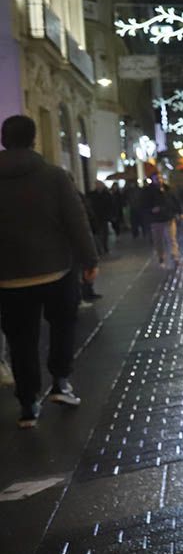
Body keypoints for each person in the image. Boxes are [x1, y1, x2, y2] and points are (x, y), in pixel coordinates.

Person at [0, 115, 98, 428]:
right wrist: (89, 260)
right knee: (63, 324)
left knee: (20, 339)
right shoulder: (54, 176)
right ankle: (60, 381)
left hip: (9, 276)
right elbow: (76, 221)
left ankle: (28, 403)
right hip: (56, 268)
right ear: (33, 139)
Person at [142, 178, 183, 268]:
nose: (159, 181)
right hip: (156, 220)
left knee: (172, 238)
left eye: (160, 179)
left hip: (168, 218)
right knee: (158, 240)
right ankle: (161, 256)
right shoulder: (149, 192)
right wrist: (151, 210)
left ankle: (174, 255)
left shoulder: (168, 190)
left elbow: (175, 202)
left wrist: (179, 212)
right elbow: (144, 206)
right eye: (157, 179)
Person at [86, 182, 113, 255]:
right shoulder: (92, 195)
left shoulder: (106, 194)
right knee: (99, 233)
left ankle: (104, 247)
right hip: (96, 217)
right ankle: (100, 248)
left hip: (103, 216)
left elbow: (110, 205)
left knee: (104, 233)